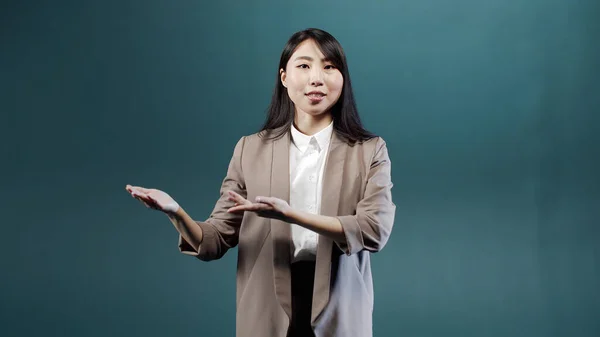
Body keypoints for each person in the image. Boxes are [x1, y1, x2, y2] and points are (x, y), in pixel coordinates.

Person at [125, 28, 395, 337]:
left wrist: (290, 214)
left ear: (342, 78)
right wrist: (175, 212)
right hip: (266, 310)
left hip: (340, 310)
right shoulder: (249, 150)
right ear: (283, 76)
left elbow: (374, 230)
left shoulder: (369, 150)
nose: (316, 78)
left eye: (329, 66)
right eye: (304, 65)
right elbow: (213, 239)